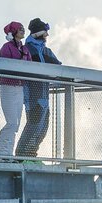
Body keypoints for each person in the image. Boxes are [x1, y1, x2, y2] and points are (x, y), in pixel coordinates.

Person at [16, 17, 62, 160]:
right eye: (45, 33)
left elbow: (58, 67)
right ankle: (21, 156)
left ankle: (31, 155)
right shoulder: (27, 49)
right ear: (38, 33)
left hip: (44, 94)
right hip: (33, 94)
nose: (47, 36)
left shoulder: (45, 51)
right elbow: (23, 67)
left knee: (43, 127)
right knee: (34, 125)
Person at [0, 22, 29, 159]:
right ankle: (2, 154)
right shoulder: (6, 48)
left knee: (16, 123)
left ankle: (5, 153)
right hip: (8, 86)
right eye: (20, 29)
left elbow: (30, 66)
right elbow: (4, 65)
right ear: (13, 32)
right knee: (12, 122)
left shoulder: (24, 49)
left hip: (19, 87)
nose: (23, 31)